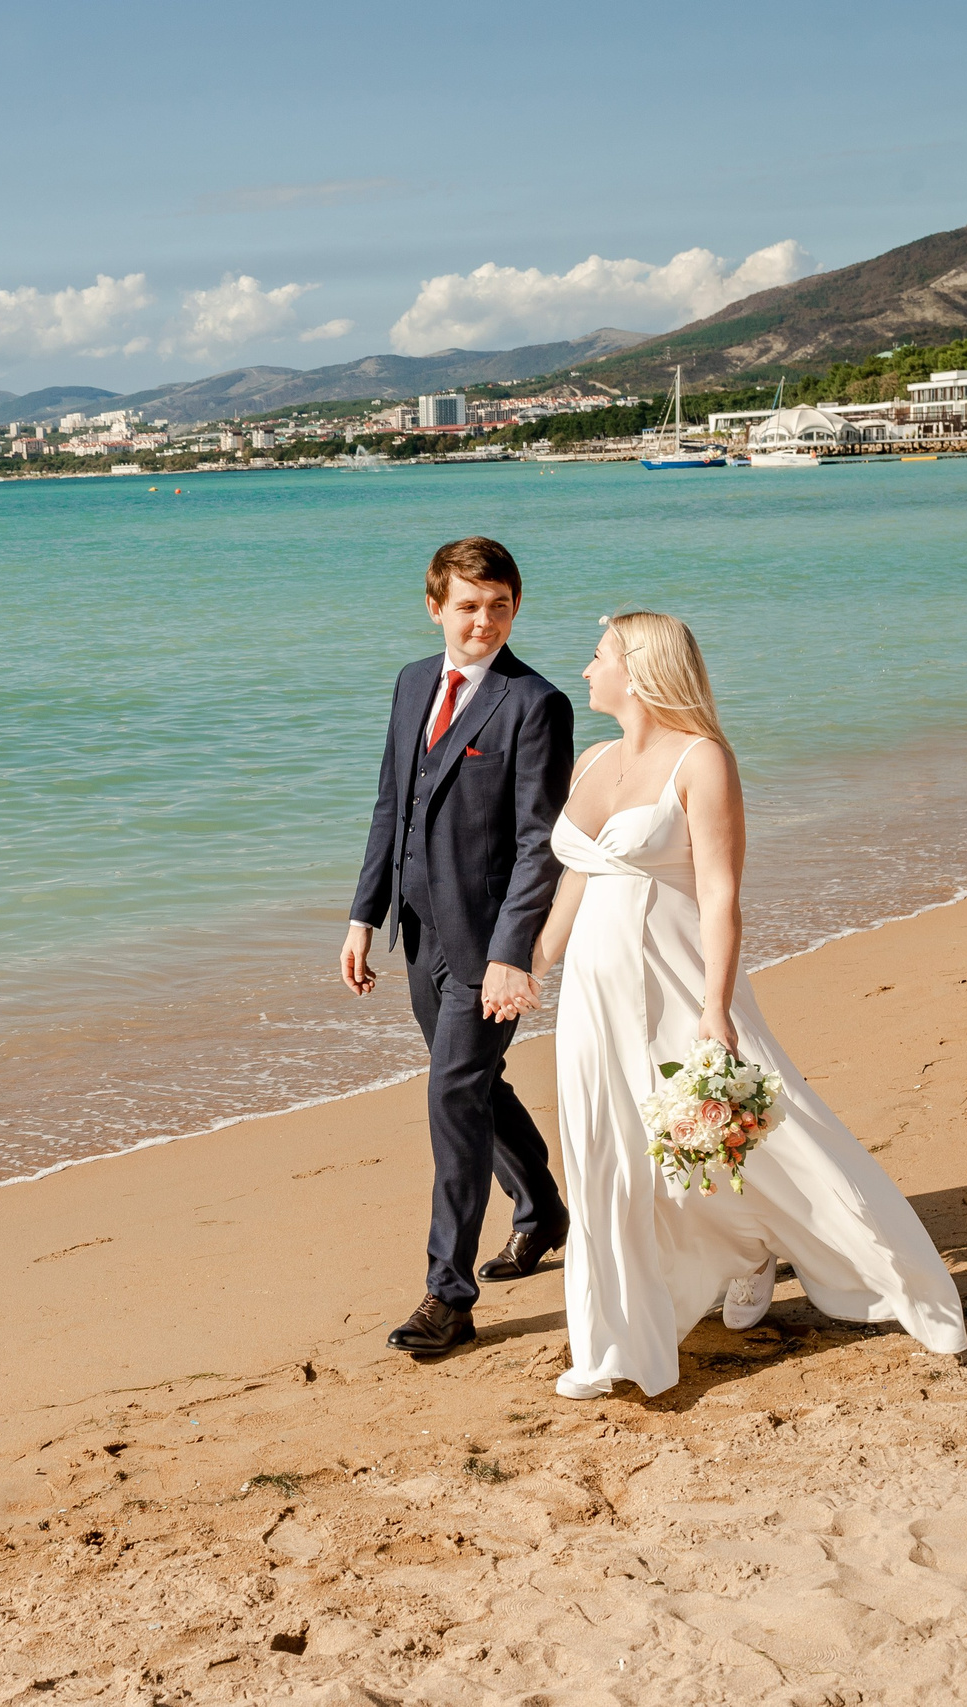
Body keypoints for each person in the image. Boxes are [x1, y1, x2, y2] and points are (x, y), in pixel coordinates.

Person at [522, 610, 967, 1399]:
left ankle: (868, 1272)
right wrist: (528, 968)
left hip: (678, 982)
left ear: (639, 671)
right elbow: (577, 876)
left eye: (598, 656)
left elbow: (723, 897)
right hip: (593, 997)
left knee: (768, 1137)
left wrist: (716, 1008)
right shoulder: (591, 760)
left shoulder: (703, 761)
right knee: (606, 1156)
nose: (585, 670)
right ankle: (613, 1347)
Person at [340, 537, 573, 1357]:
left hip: (487, 944)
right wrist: (363, 916)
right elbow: (387, 806)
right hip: (416, 931)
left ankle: (450, 1292)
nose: (485, 621)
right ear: (435, 606)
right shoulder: (411, 683)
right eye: (469, 605)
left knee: (450, 1096)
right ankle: (542, 1208)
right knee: (470, 1083)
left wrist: (516, 953)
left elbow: (541, 843)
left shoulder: (534, 704)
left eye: (500, 605)